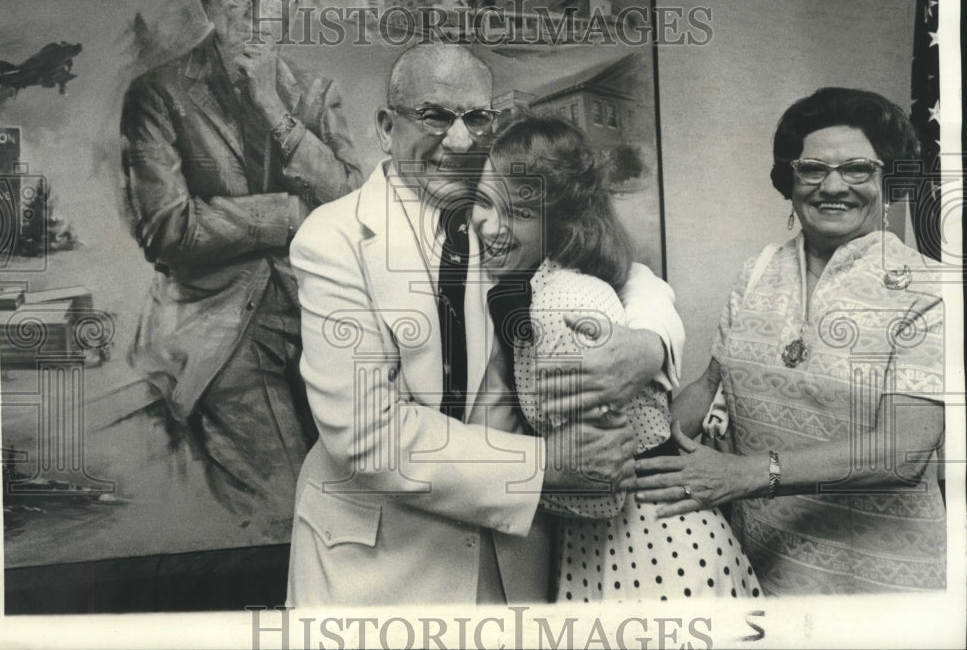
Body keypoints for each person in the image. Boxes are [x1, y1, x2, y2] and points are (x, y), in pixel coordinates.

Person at [286, 43, 684, 604]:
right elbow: (366, 435)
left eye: (477, 118)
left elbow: (622, 268)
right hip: (382, 564)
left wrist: (648, 344)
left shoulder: (497, 206)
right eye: (434, 115)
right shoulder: (332, 240)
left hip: (511, 557)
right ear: (384, 126)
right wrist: (548, 463)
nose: (459, 138)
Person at [635, 88, 946, 595]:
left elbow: (901, 452)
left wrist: (744, 475)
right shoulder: (756, 272)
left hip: (882, 582)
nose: (833, 186)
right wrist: (638, 454)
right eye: (813, 169)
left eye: (858, 169)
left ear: (890, 179)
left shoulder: (927, 289)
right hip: (760, 563)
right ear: (790, 179)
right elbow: (711, 385)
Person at [120, 0, 363, 534]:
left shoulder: (313, 93)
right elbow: (167, 227)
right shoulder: (159, 94)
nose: (258, 12)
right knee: (283, 515)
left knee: (363, 491)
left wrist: (276, 114)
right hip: (217, 324)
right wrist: (286, 215)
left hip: (320, 319)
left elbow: (356, 204)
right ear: (210, 3)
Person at [473, 116, 761, 602]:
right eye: (483, 201)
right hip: (609, 550)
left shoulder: (563, 302)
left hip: (648, 555)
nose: (488, 223)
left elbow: (601, 480)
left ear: (558, 220)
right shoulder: (539, 285)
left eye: (519, 211)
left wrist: (496, 478)